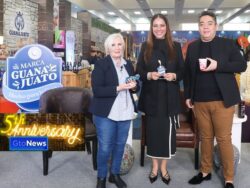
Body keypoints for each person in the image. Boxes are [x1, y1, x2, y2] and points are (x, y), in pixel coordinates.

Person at [184, 11, 247, 188]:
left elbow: (241, 65)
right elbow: (188, 74)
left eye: (209, 23)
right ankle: (205, 171)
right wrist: (188, 95)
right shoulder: (193, 47)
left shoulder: (227, 44)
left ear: (216, 26)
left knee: (223, 139)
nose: (205, 26)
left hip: (222, 101)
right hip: (200, 102)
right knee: (205, 137)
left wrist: (218, 65)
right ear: (198, 27)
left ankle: (229, 178)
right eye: (202, 23)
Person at [136, 14, 184, 185]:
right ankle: (154, 167)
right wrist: (149, 74)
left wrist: (174, 76)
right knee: (154, 135)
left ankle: (164, 168)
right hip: (151, 98)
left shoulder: (176, 46)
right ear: (151, 28)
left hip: (169, 98)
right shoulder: (145, 46)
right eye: (155, 25)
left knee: (167, 136)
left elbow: (182, 71)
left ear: (167, 27)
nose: (158, 28)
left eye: (161, 25)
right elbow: (139, 70)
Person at [89, 33, 139, 188]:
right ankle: (102, 177)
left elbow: (135, 86)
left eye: (119, 45)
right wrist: (119, 88)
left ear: (123, 47)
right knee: (105, 147)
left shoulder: (128, 64)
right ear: (107, 48)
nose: (117, 48)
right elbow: (97, 90)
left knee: (120, 145)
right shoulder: (101, 64)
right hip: (106, 113)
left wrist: (134, 87)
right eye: (113, 45)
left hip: (125, 110)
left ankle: (114, 174)